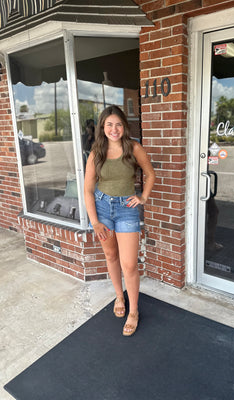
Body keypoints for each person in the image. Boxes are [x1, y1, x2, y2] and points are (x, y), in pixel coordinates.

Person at [84, 105, 155, 336]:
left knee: (129, 264)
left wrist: (142, 197)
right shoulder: (96, 153)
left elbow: (150, 173)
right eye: (109, 124)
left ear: (124, 126)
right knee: (111, 256)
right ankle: (118, 297)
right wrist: (94, 221)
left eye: (118, 124)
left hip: (126, 209)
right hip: (103, 207)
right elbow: (87, 190)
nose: (114, 129)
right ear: (102, 128)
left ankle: (133, 310)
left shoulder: (133, 148)